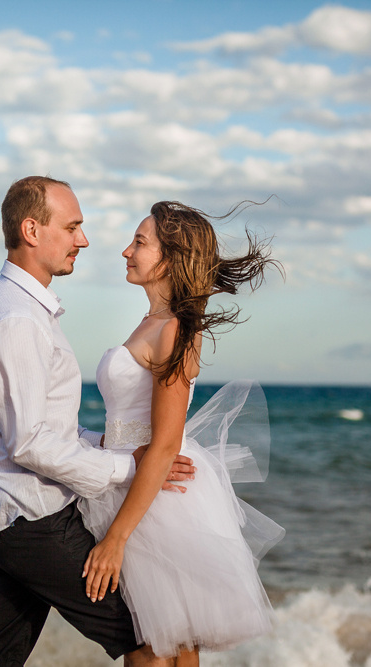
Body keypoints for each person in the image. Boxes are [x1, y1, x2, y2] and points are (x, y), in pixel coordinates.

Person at [0, 176, 196, 667]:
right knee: (151, 637)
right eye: (72, 228)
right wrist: (127, 468)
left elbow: (51, 429)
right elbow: (29, 442)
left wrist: (111, 449)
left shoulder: (27, 311)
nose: (83, 241)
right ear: (31, 230)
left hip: (9, 522)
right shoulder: (19, 319)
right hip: (36, 522)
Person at [78, 201, 285, 665]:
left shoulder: (173, 330)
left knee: (153, 646)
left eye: (140, 242)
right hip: (133, 477)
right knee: (168, 640)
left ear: (170, 259)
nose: (126, 251)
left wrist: (116, 538)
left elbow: (167, 442)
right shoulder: (154, 323)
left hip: (154, 496)